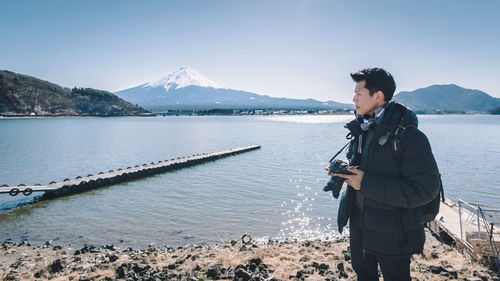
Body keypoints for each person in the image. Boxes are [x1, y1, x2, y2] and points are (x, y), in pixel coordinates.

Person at [328, 67, 440, 281]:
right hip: (360, 225)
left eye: (359, 94)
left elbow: (425, 190)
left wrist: (366, 183)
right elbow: (363, 169)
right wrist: (342, 172)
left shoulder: (409, 136)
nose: (353, 99)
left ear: (378, 96)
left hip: (394, 234)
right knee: (364, 275)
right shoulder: (362, 129)